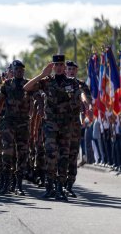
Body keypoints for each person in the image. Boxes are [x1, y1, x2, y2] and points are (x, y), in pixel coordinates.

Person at [24, 54, 90, 201]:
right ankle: (49, 187)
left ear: (64, 67)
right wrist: (42, 74)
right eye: (56, 65)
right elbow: (26, 87)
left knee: (64, 157)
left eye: (61, 65)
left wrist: (85, 105)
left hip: (66, 126)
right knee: (50, 155)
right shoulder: (47, 82)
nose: (59, 68)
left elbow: (80, 97)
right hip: (51, 125)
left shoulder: (72, 83)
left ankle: (60, 187)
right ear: (53, 66)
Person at [0, 60, 32, 196]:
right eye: (16, 69)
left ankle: (18, 185)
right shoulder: (6, 85)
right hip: (8, 123)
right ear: (12, 70)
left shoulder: (28, 84)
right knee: (7, 153)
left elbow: (35, 100)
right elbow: (0, 103)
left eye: (21, 70)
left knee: (22, 154)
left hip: (23, 124)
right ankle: (5, 183)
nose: (19, 72)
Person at [65, 60, 92, 197]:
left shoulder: (81, 85)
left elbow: (86, 97)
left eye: (73, 69)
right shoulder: (59, 82)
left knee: (73, 155)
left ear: (76, 71)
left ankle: (69, 185)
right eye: (68, 69)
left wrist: (87, 105)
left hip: (74, 125)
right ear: (65, 70)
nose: (71, 71)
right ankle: (58, 184)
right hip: (60, 125)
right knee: (59, 155)